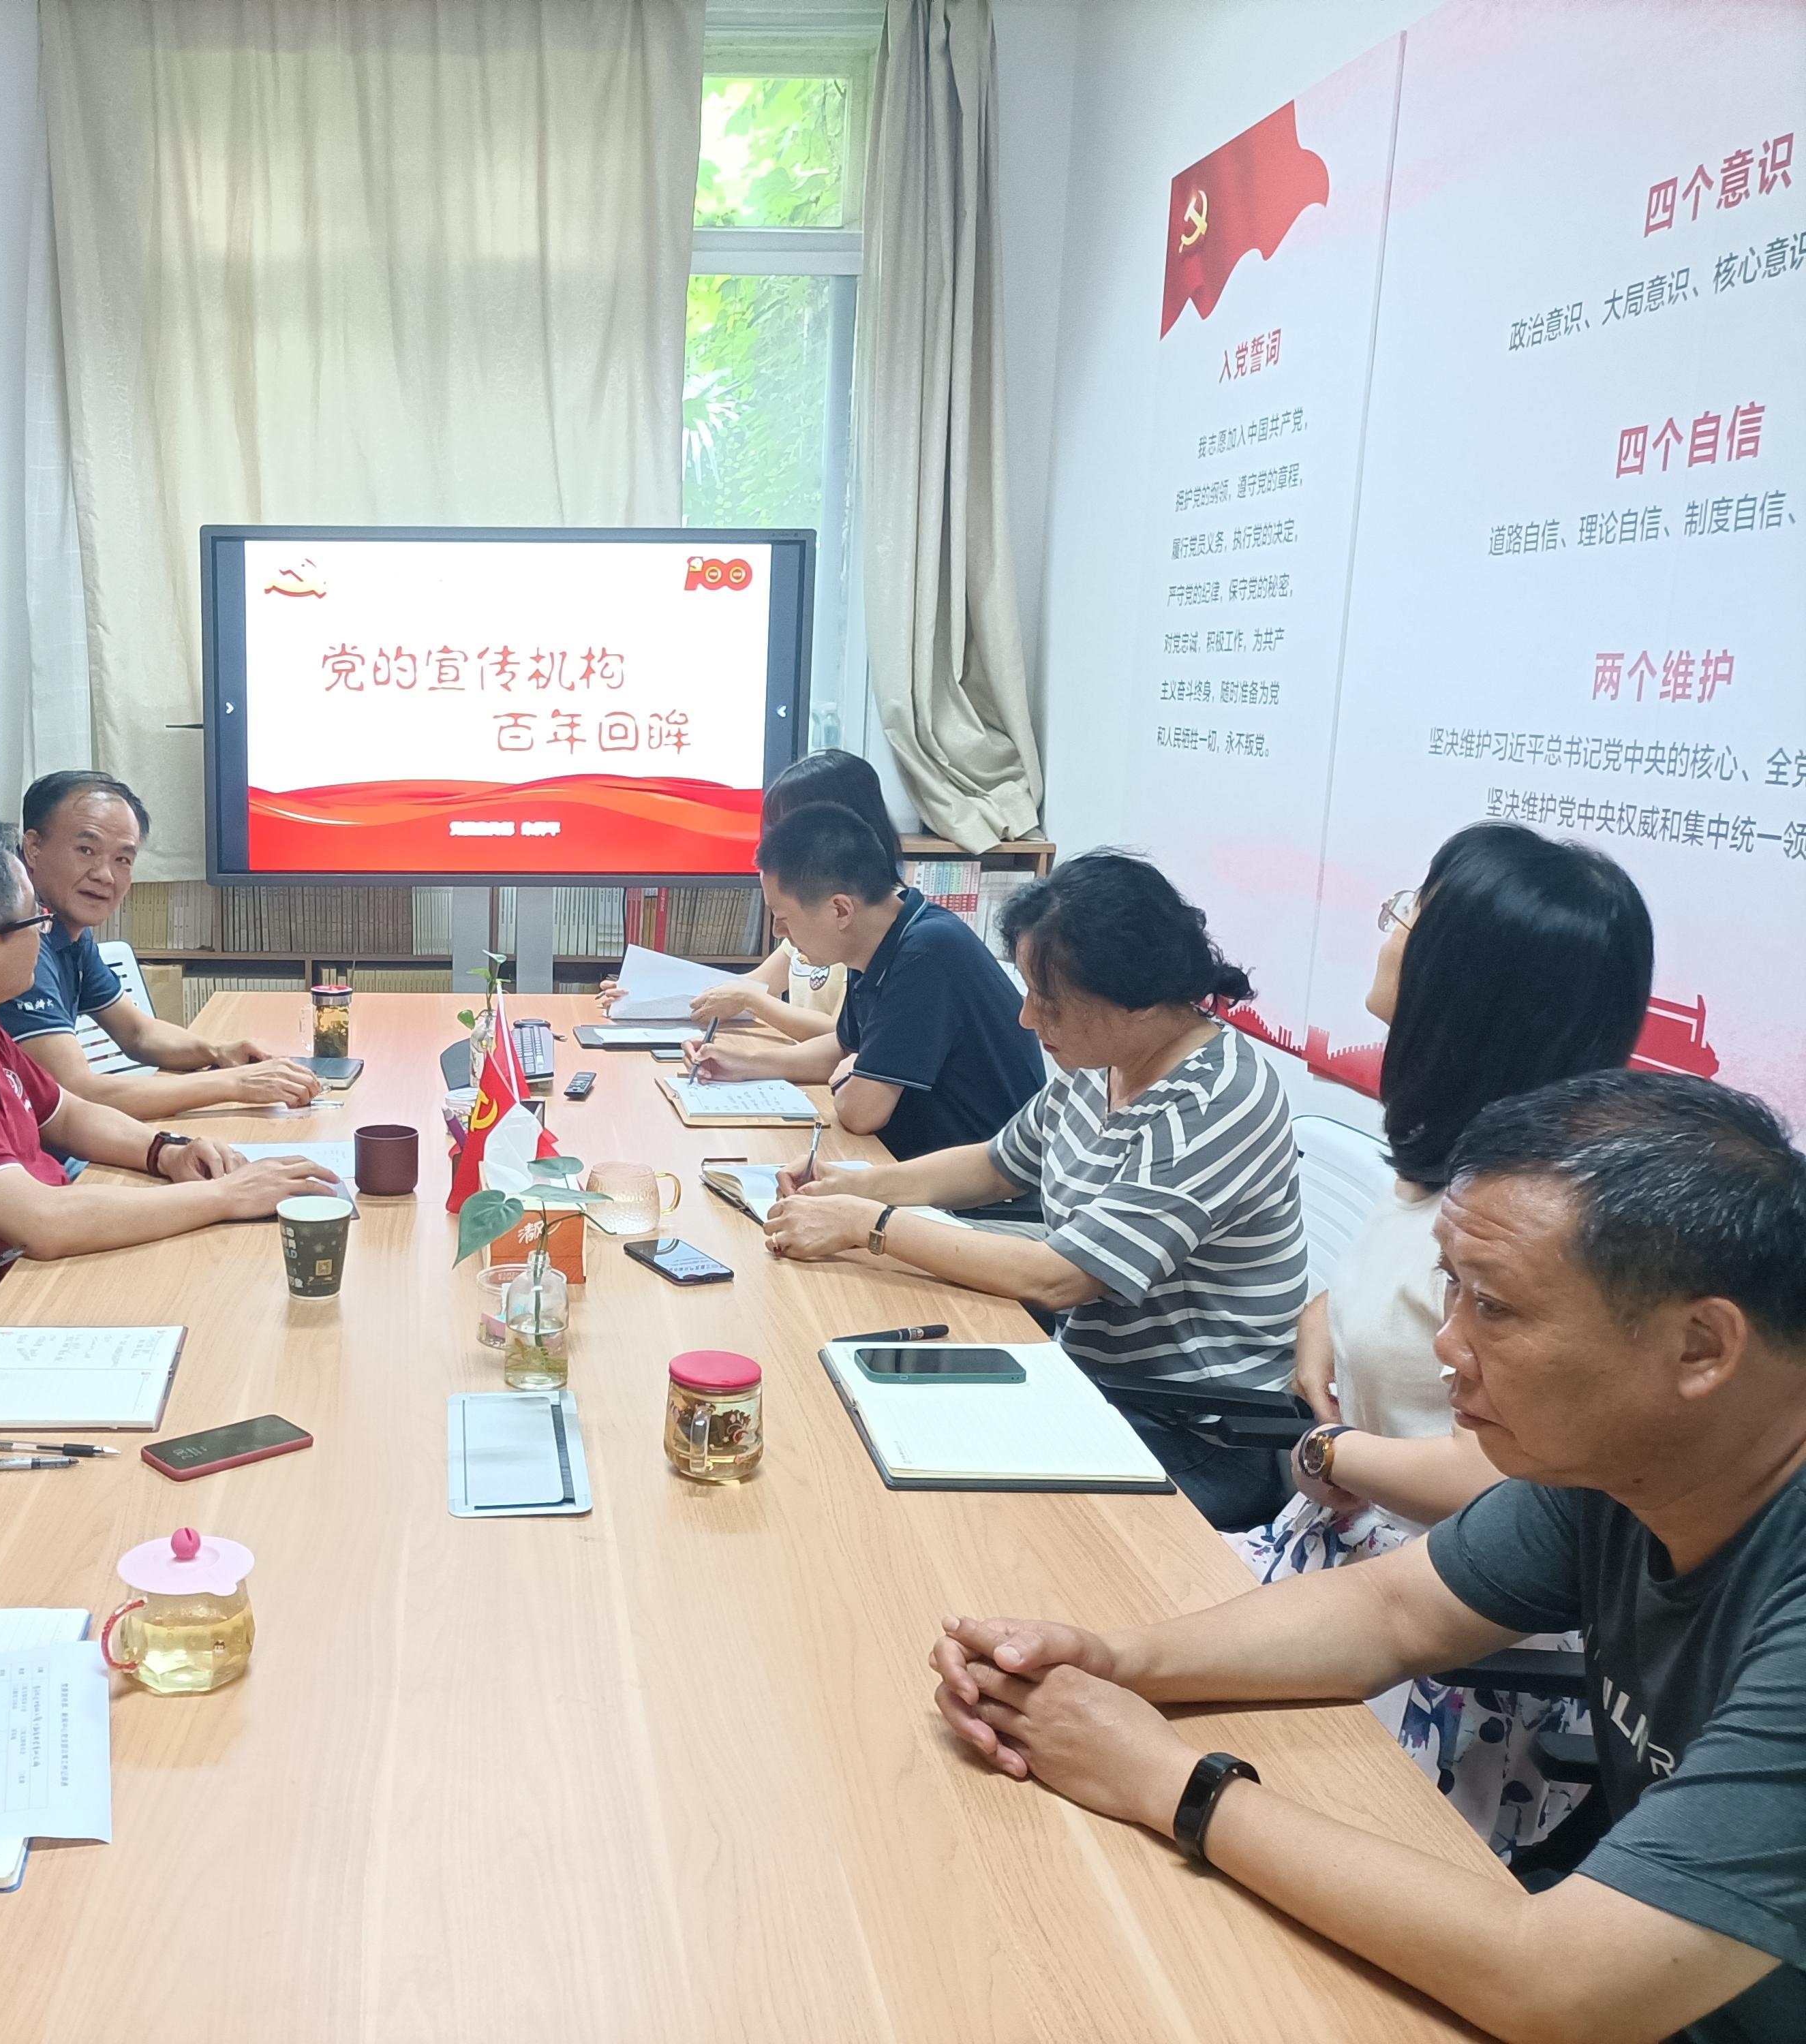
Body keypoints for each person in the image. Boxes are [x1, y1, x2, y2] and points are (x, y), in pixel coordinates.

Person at [929, 1072, 1806, 2044]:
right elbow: (1392, 1611)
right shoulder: (1631, 1465)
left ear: (1700, 1347)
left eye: (1494, 1309)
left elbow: (1559, 1984)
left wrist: (1163, 1778)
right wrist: (1118, 1661)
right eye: (1452, 1290)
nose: (1448, 1346)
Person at [1236, 824, 1653, 1855]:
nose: (1389, 929)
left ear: (1469, 980)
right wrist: (1319, 1325)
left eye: (1410, 913)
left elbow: (1510, 1482)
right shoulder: (1454, 1150)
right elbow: (1382, 1291)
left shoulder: (1545, 1216)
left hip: (1455, 1628)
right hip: (1338, 1548)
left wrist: (1329, 1450)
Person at [765, 851, 1304, 1529]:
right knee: (858, 1401)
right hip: (1094, 1385)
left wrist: (869, 1224)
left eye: (1047, 1000)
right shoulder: (1103, 1062)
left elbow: (1059, 1278)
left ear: (1135, 999)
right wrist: (855, 1184)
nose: (1026, 1018)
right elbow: (997, 1164)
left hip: (1195, 1430)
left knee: (924, 1493)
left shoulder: (1212, 1101)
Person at [0, 813, 339, 1329]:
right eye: (35, 918)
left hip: (53, 1275)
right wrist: (228, 1195)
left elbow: (67, 1115)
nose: (46, 929)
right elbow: (44, 1222)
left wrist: (166, 1152)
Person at [684, 801, 1043, 1158]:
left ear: (840, 910)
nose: (779, 931)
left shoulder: (927, 953)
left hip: (979, 1181)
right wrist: (744, 1064)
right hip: (917, 1159)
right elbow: (843, 1047)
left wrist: (854, 1074)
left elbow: (861, 1113)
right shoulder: (879, 938)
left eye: (783, 917)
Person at [0, 770, 324, 1113]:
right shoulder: (18, 942)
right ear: (33, 848)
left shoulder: (67, 930)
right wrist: (238, 1084)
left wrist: (218, 1052)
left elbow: (138, 1033)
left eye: (122, 859)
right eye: (86, 850)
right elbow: (79, 1093)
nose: (105, 875)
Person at [598, 749, 902, 1040]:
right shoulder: (808, 914)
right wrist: (645, 995)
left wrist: (751, 1002)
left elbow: (844, 1037)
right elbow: (749, 985)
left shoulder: (874, 920)